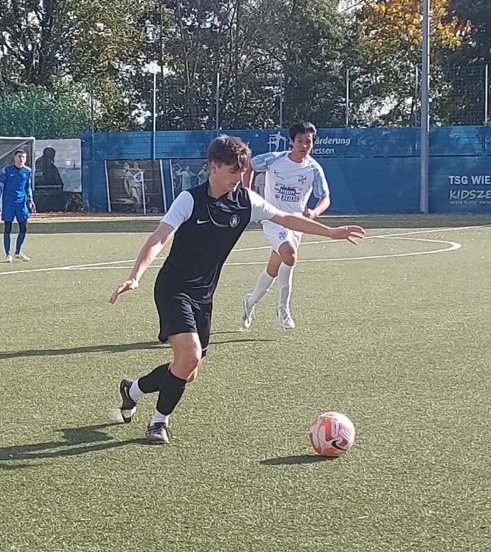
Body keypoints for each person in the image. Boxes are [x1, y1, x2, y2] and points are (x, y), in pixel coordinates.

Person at [108, 135, 365, 445]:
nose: (239, 178)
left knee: (189, 369)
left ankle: (133, 389)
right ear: (213, 167)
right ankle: (158, 423)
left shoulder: (245, 201)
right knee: (189, 357)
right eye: (233, 171)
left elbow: (286, 218)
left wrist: (332, 232)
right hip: (173, 289)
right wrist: (135, 276)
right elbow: (159, 238)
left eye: (242, 171)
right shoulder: (190, 200)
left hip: (204, 294)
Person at [240, 122, 329, 330]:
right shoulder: (274, 159)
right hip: (272, 218)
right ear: (291, 141)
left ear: (313, 144)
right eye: (299, 141)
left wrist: (314, 212)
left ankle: (250, 301)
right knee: (290, 255)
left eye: (308, 142)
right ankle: (283, 309)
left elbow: (325, 197)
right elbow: (250, 165)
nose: (303, 146)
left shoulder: (314, 169)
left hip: (296, 223)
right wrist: (247, 192)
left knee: (274, 268)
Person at [0, 150, 35, 262]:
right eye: (19, 156)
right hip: (8, 202)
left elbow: (27, 186)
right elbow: (0, 186)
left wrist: (30, 199)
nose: (21, 159)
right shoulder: (7, 170)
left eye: (23, 157)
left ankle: (18, 252)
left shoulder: (27, 171)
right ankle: (8, 254)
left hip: (21, 203)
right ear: (14, 158)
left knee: (24, 227)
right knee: (8, 228)